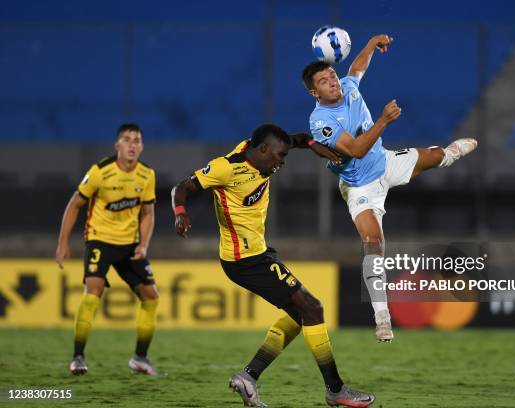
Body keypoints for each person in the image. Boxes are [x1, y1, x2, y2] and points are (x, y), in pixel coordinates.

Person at [171, 124, 375, 408]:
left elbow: (300, 138)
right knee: (312, 308)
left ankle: (248, 376)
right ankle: (335, 390)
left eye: (285, 156)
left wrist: (314, 145)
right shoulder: (226, 168)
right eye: (279, 156)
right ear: (263, 150)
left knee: (299, 314)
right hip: (244, 260)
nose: (282, 162)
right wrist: (181, 214)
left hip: (260, 253)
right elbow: (181, 187)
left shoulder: (264, 149)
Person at [303, 35, 478, 342]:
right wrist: (383, 121)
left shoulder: (349, 87)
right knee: (374, 242)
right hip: (360, 186)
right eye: (324, 81)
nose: (333, 82)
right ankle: (382, 316)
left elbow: (357, 69)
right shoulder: (321, 121)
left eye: (332, 75)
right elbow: (355, 150)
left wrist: (370, 45)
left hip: (385, 163)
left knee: (437, 155)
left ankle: (449, 155)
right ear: (313, 92)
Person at [55, 123, 162, 376]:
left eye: (137, 140)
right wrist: (62, 243)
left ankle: (140, 358)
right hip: (99, 240)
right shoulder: (100, 172)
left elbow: (148, 213)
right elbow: (74, 204)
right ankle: (78, 356)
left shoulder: (147, 175)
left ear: (142, 146)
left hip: (129, 245)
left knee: (151, 296)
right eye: (127, 140)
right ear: (117, 145)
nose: (132, 144)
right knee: (94, 289)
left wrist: (144, 244)